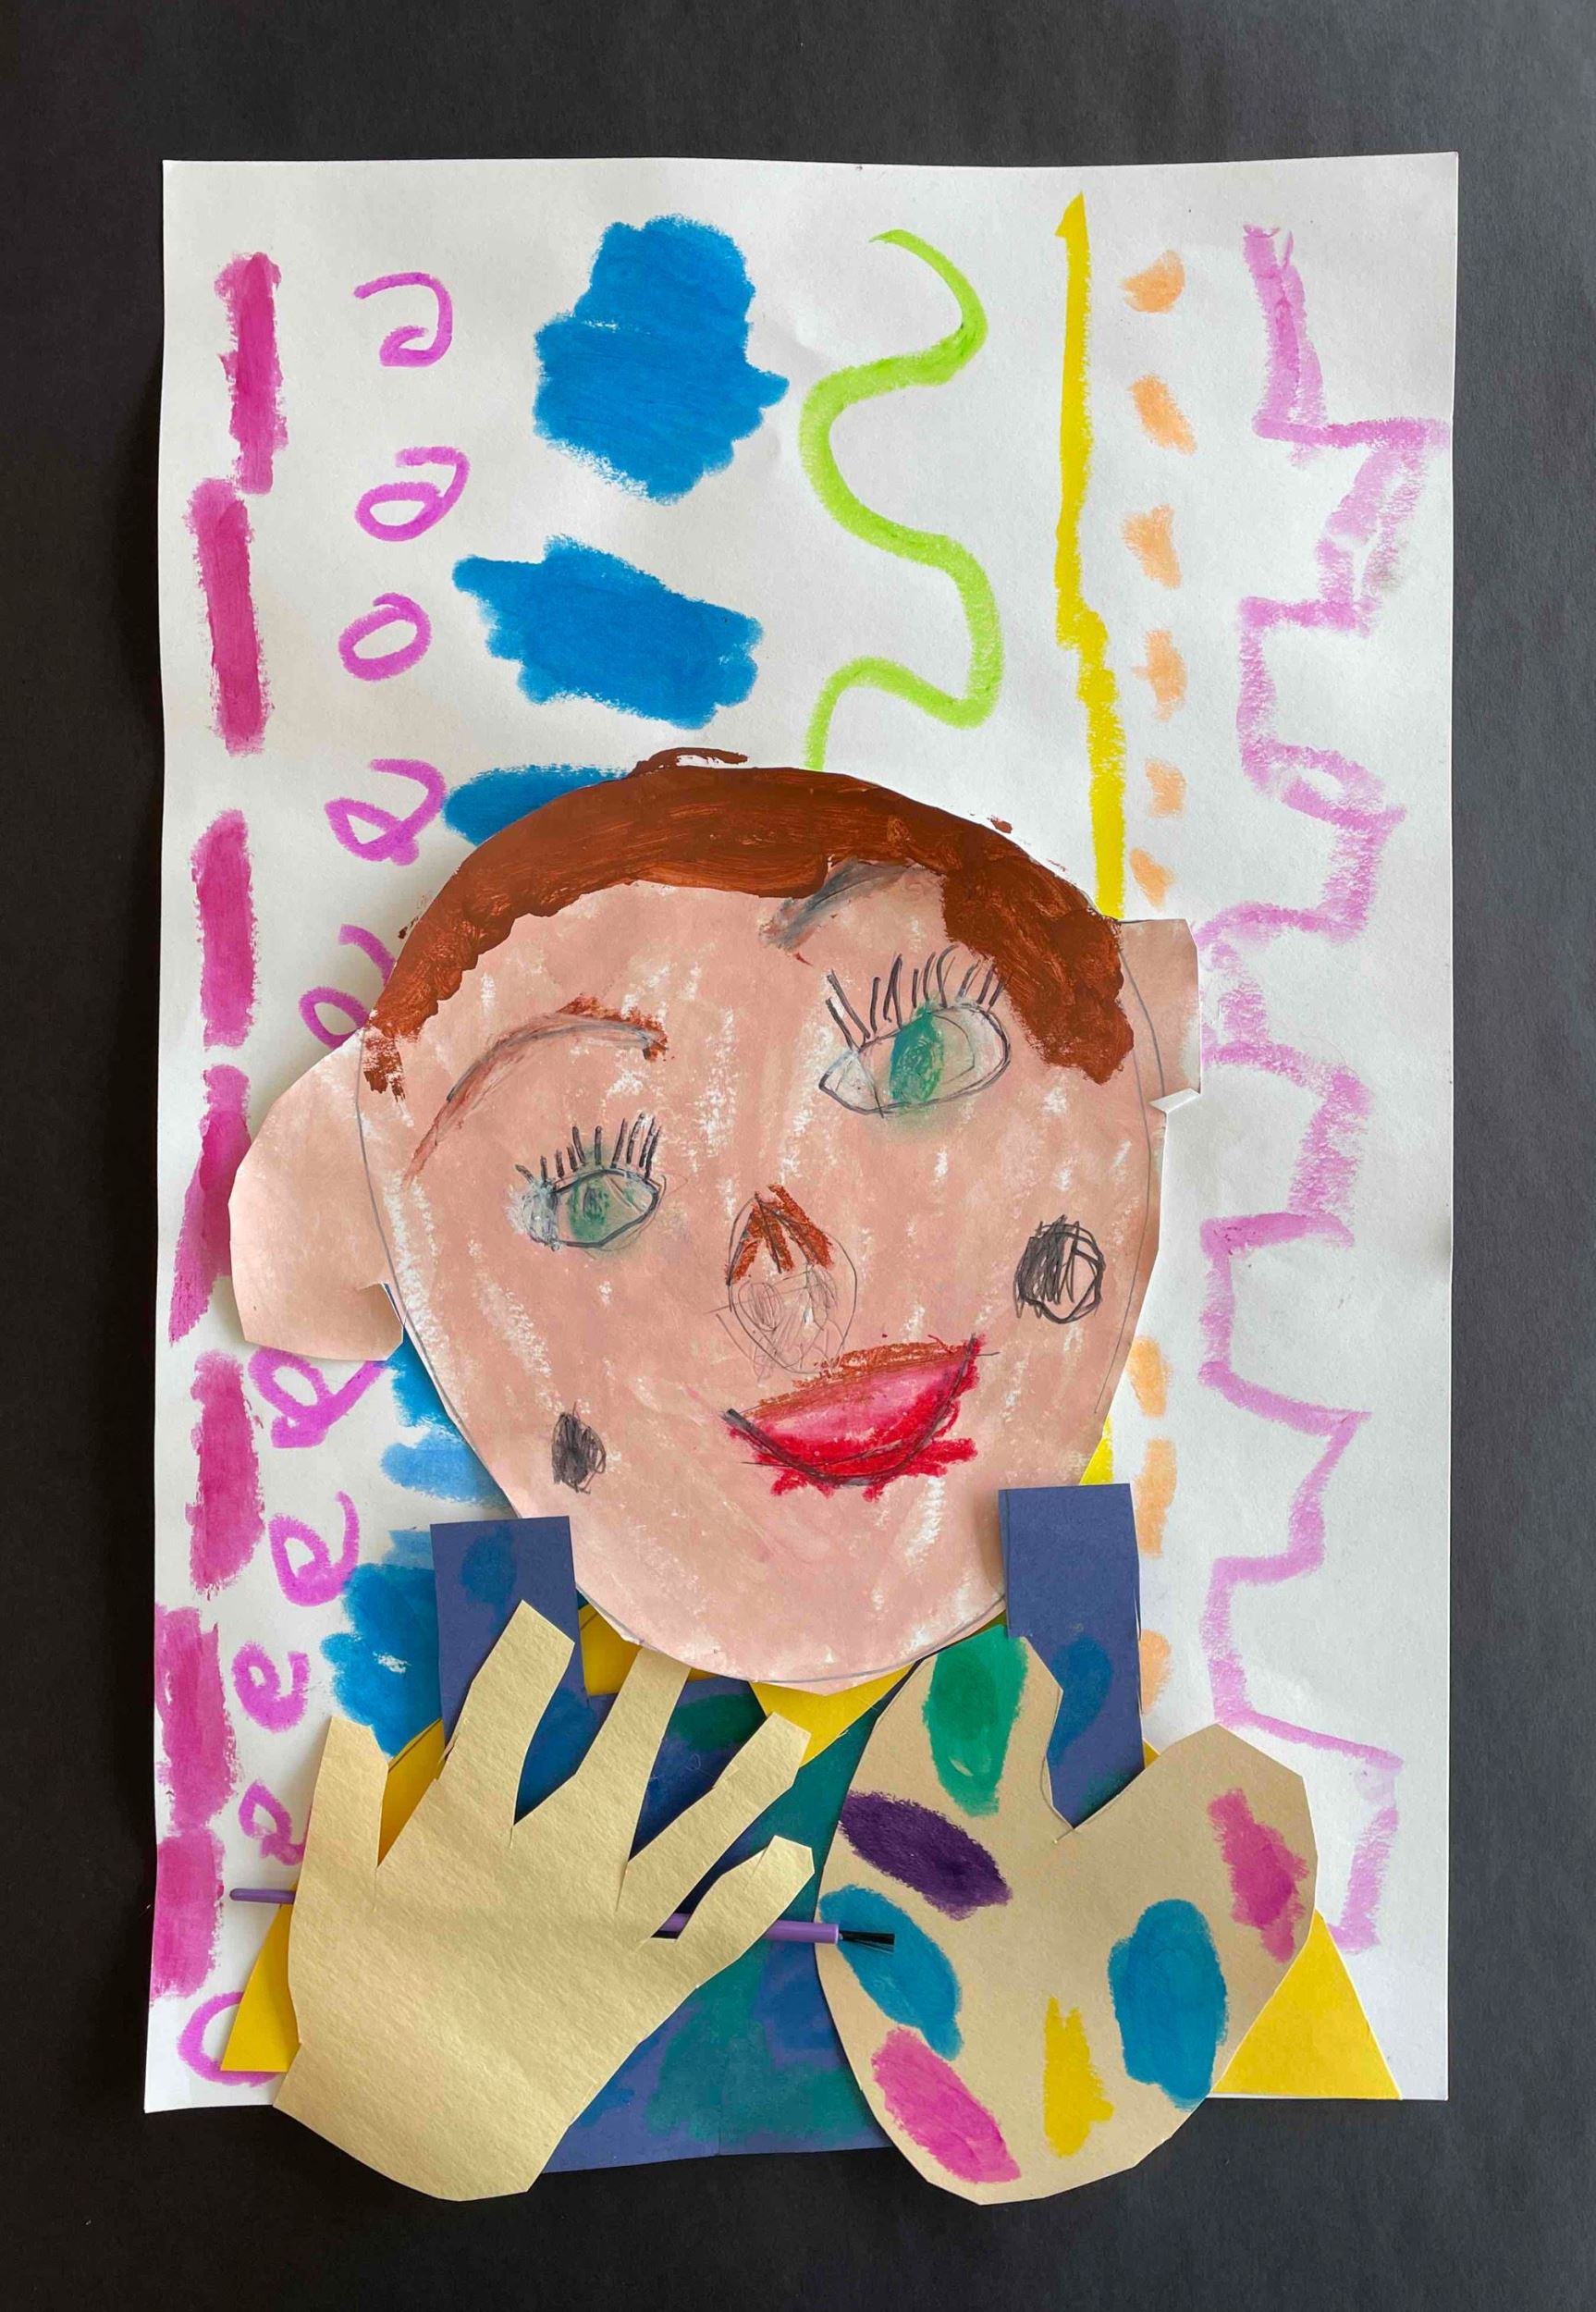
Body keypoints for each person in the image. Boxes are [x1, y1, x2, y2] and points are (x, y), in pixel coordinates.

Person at [232, 748, 1197, 1688]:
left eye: (924, 1056)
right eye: (592, 1194)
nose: (790, 1272)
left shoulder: (1096, 1665)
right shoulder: (494, 1692)